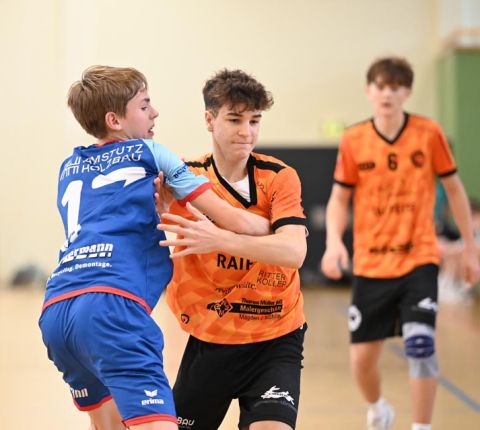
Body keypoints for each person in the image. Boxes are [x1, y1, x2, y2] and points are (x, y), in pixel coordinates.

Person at [38, 65, 269, 430]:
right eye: (145, 106)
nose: (155, 112)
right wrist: (285, 226)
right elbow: (233, 220)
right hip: (113, 307)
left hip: (57, 310)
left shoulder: (70, 166)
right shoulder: (150, 153)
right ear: (114, 119)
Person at [320, 56, 480, 430]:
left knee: (421, 346)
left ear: (407, 92)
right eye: (380, 86)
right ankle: (378, 408)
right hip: (371, 264)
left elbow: (455, 190)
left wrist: (470, 247)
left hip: (418, 258)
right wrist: (333, 242)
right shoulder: (354, 139)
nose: (387, 94)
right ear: (368, 91)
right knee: (362, 361)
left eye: (395, 87)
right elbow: (340, 198)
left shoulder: (428, 133)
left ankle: (422, 426)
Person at [155, 69, 308, 430]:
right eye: (235, 119)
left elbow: (293, 252)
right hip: (211, 338)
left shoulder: (279, 176)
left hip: (275, 335)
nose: (247, 132)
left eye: (255, 121)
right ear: (209, 120)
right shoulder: (185, 178)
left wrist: (219, 238)